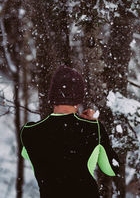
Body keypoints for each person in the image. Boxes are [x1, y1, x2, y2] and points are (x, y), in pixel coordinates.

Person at [20, 65, 120, 198]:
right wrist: (96, 126)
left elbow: (29, 154)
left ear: (52, 98)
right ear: (78, 100)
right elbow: (112, 168)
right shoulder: (92, 129)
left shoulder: (29, 132)